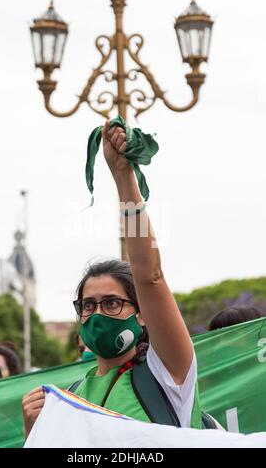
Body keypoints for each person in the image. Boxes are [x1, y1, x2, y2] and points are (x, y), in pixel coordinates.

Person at [22, 120, 205, 439]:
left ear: (142, 313)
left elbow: (150, 276)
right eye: (88, 305)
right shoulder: (69, 398)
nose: (96, 314)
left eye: (112, 303)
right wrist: (34, 431)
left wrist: (123, 177)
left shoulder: (167, 375)